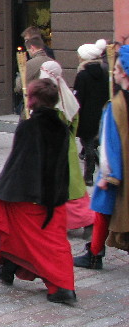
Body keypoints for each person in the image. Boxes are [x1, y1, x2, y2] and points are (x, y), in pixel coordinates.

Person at [0, 78, 76, 304]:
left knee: (12, 228)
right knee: (41, 239)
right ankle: (9, 268)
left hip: (28, 194)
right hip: (52, 194)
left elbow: (18, 163)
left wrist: (1, 191)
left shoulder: (30, 126)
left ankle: (62, 286)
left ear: (33, 100)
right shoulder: (62, 127)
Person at [73, 44, 129, 270]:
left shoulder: (115, 106)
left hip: (117, 168)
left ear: (123, 73)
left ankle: (95, 253)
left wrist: (108, 173)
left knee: (103, 207)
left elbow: (110, 144)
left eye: (116, 69)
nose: (113, 72)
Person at [39, 60, 94, 233]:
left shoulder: (52, 98)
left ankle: (86, 221)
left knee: (69, 187)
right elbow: (74, 119)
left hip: (55, 148)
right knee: (70, 186)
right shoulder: (66, 94)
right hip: (65, 143)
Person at [74, 39, 109, 186]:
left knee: (87, 143)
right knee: (92, 143)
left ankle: (89, 175)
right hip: (100, 112)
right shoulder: (104, 72)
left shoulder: (82, 75)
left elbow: (78, 97)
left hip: (86, 114)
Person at [15, 35, 53, 111]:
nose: (28, 53)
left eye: (28, 50)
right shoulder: (52, 61)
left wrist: (21, 70)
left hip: (35, 104)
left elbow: (20, 86)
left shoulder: (30, 64)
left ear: (32, 48)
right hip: (50, 103)